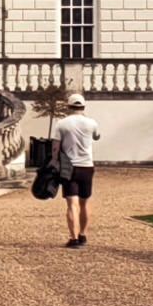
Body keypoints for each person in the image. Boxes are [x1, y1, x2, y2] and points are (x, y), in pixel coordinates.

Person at [49, 100, 100, 248]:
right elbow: (97, 136)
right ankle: (83, 234)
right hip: (87, 166)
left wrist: (54, 161)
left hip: (69, 167)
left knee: (72, 204)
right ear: (83, 107)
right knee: (85, 203)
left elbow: (55, 146)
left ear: (69, 106)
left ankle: (74, 238)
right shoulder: (92, 123)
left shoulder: (62, 124)